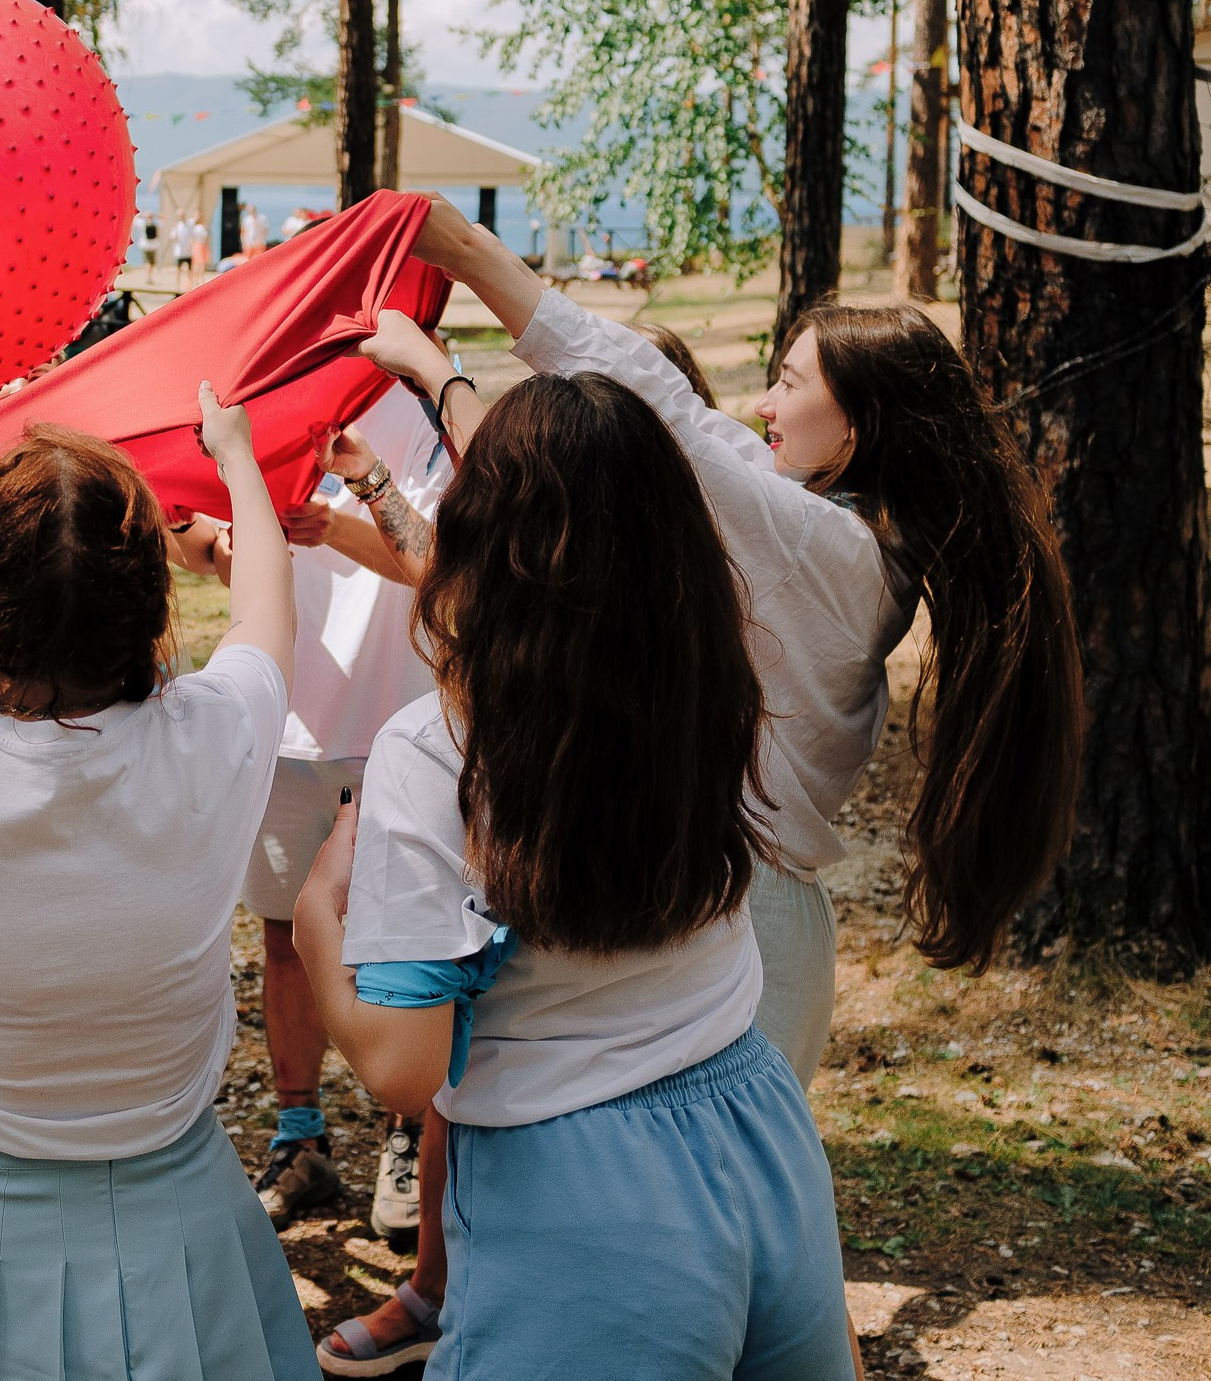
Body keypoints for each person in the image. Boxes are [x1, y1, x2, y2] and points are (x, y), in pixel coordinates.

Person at [394, 196, 1082, 1080]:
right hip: (733, 904)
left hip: (746, 924)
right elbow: (695, 427)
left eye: (790, 384)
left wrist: (471, 263)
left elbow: (667, 420)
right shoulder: (839, 536)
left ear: (857, 431)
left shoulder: (826, 549)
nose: (762, 401)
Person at [292, 365, 857, 1380]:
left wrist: (316, 917)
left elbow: (402, 1068)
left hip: (581, 1194)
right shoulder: (717, 676)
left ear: (484, 540)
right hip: (760, 1129)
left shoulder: (441, 747)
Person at [0, 398, 318, 1381]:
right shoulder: (213, 739)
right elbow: (270, 606)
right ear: (149, 604)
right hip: (183, 1226)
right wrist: (236, 457)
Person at [166, 387, 457, 1240]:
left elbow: (446, 565)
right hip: (284, 718)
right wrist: (215, 541)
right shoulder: (261, 393)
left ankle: (408, 1140)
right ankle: (301, 1138)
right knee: (287, 938)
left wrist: (334, 524)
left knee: (405, 944)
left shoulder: (440, 408)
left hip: (401, 722)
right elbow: (191, 534)